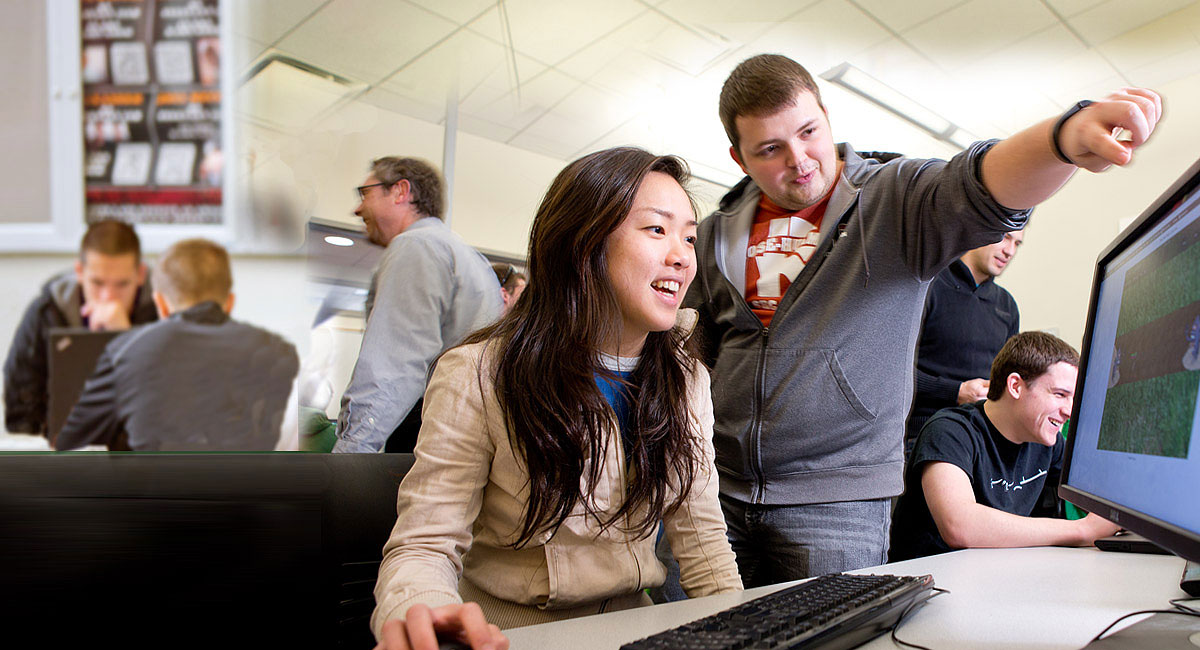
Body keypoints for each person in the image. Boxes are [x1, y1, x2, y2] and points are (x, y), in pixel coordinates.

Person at [683, 53, 1160, 586]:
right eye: (770, 149)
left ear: (825, 114)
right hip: (719, 494)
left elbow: (979, 186)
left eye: (809, 131)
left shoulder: (891, 199)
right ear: (739, 157)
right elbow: (693, 347)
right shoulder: (714, 233)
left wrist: (1061, 137)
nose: (800, 160)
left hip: (836, 504)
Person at [370, 147, 741, 650]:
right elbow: (425, 544)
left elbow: (700, 535)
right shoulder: (479, 371)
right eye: (657, 229)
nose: (681, 255)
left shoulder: (684, 375)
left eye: (689, 237)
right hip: (514, 634)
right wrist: (427, 614)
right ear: (583, 243)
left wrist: (745, 632)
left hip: (638, 628)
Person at [890, 332, 1119, 560]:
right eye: (1060, 395)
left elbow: (1100, 491)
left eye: (1073, 399)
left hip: (995, 577)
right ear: (1015, 386)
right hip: (928, 584)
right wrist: (1082, 530)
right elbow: (959, 525)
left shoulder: (1047, 441)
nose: (1069, 411)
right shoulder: (949, 431)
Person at [55, 239, 299, 451]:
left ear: (160, 304)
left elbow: (70, 441)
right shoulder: (280, 352)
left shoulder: (125, 352)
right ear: (229, 303)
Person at [334, 157, 502, 453]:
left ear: (400, 191)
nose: (358, 209)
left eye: (366, 193)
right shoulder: (472, 258)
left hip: (421, 437)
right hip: (462, 440)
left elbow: (396, 363)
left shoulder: (416, 246)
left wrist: (351, 453)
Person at [4, 219, 158, 436]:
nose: (108, 297)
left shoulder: (162, 312)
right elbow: (19, 408)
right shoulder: (47, 312)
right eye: (97, 283)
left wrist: (124, 337)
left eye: (122, 284)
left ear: (140, 275)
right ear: (79, 272)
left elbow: (169, 406)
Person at [907, 229, 1026, 452]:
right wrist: (955, 391)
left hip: (982, 438)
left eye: (1017, 244)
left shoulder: (1007, 306)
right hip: (924, 435)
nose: (1009, 251)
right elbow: (892, 371)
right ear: (980, 230)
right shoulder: (928, 286)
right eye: (1005, 237)